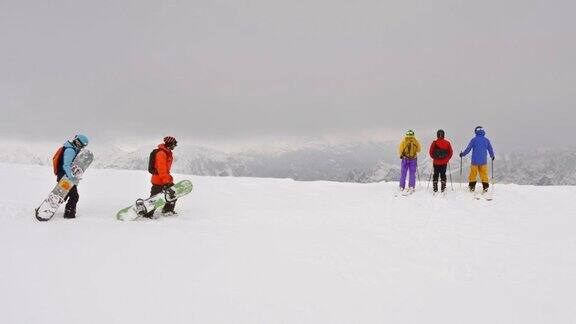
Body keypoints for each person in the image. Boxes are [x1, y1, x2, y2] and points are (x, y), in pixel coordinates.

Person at [55, 134, 89, 219]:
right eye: (81, 145)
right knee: (74, 196)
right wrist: (72, 177)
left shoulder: (70, 148)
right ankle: (69, 215)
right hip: (66, 178)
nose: (81, 148)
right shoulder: (70, 150)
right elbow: (66, 165)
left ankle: (52, 204)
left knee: (65, 195)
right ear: (77, 142)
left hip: (64, 177)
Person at [145, 136, 179, 218]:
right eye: (174, 144)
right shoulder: (162, 153)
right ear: (170, 144)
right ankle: (147, 214)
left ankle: (167, 210)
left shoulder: (167, 152)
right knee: (155, 199)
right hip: (159, 180)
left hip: (163, 179)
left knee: (172, 194)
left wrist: (168, 180)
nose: (175, 146)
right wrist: (167, 182)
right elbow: (162, 170)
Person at [459, 126, 495, 193]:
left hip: (474, 161)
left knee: (473, 174)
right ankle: (485, 187)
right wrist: (492, 156)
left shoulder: (474, 140)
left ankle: (472, 187)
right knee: (484, 174)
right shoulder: (486, 140)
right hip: (483, 161)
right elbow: (490, 149)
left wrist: (462, 154)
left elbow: (468, 149)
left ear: (476, 131)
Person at [428, 129, 453, 193]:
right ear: (444, 135)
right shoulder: (447, 143)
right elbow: (451, 152)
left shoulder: (434, 143)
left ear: (437, 135)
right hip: (444, 162)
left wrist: (434, 157)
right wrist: (447, 159)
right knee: (443, 174)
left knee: (435, 174)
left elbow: (430, 152)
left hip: (436, 162)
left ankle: (435, 187)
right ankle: (443, 187)